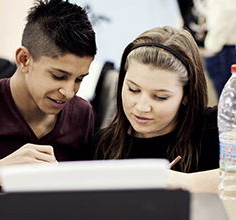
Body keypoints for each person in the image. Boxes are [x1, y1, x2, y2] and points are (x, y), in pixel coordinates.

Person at [0, 0, 97, 192]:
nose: (69, 93)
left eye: (79, 79)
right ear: (24, 60)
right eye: (58, 76)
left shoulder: (82, 114)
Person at [90, 26, 220, 193]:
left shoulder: (214, 129)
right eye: (133, 90)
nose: (142, 107)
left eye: (160, 97)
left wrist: (182, 182)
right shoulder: (102, 146)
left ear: (186, 95)